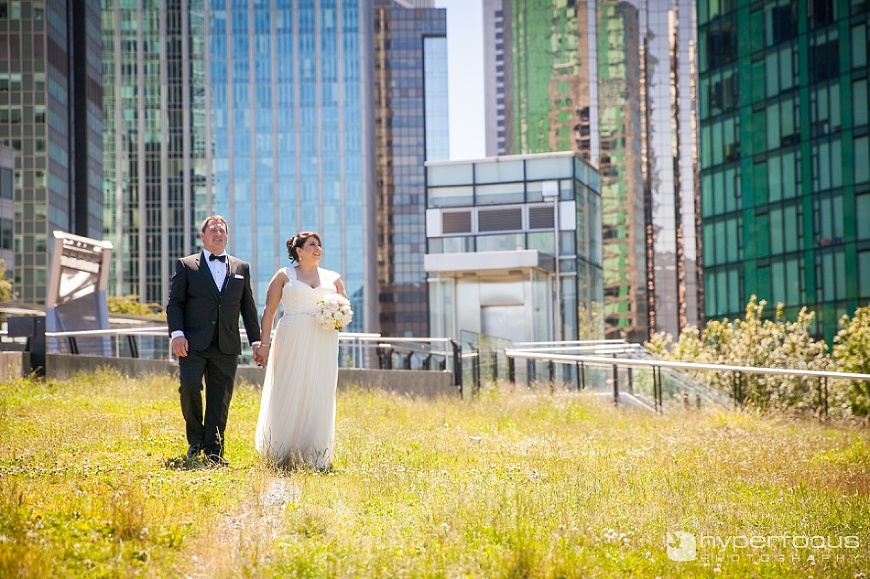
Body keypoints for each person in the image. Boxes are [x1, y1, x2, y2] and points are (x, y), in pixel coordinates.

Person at [166, 215, 262, 465]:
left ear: (227, 237)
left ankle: (214, 451)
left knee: (220, 400)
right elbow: (175, 303)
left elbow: (248, 309)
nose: (218, 234)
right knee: (189, 388)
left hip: (227, 344)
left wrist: (256, 342)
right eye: (213, 230)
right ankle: (195, 440)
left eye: (222, 230)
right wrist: (177, 334)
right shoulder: (186, 265)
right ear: (203, 236)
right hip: (192, 343)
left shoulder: (241, 268)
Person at [254, 231, 348, 470]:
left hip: (323, 339)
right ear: (299, 250)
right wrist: (263, 345)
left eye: (319, 245)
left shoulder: (333, 278)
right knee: (290, 386)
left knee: (318, 389)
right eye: (312, 245)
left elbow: (345, 310)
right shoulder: (285, 276)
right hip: (292, 336)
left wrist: (336, 315)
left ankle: (314, 452)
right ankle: (281, 450)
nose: (318, 249)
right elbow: (269, 312)